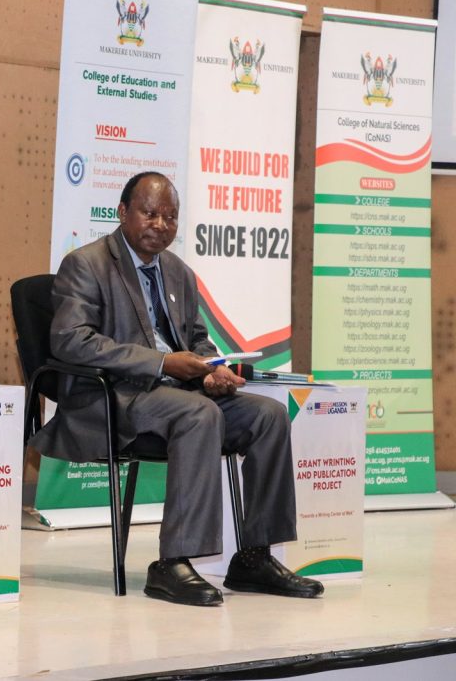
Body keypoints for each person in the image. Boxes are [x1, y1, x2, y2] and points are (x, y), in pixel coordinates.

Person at [30, 171, 323, 606]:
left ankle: (254, 557)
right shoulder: (87, 264)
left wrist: (209, 371)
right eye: (150, 214)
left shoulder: (179, 273)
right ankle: (173, 562)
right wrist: (163, 363)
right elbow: (72, 340)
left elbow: (197, 341)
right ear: (123, 212)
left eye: (170, 217)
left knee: (268, 415)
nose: (161, 225)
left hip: (178, 393)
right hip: (111, 396)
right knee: (198, 414)